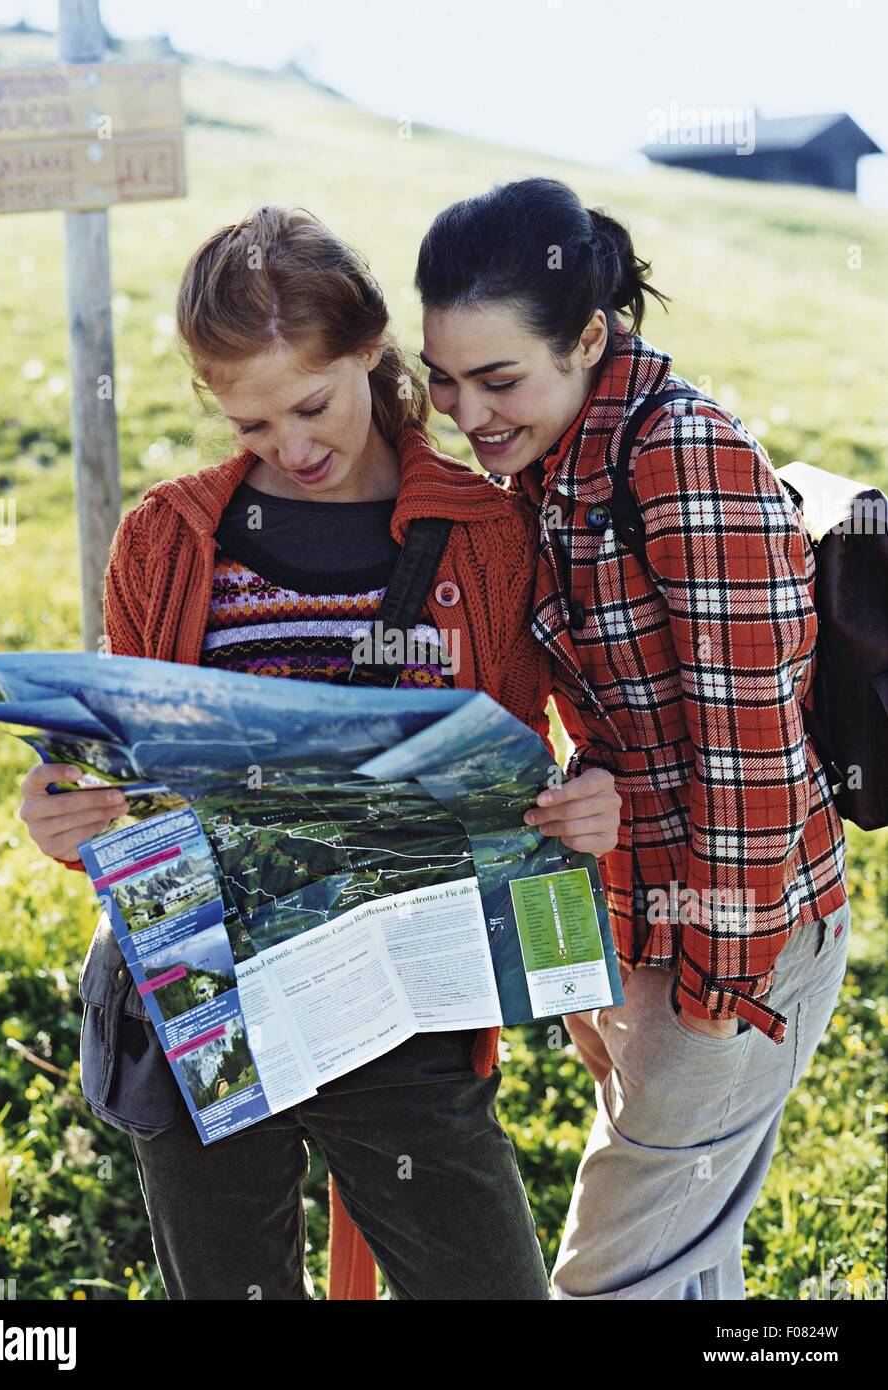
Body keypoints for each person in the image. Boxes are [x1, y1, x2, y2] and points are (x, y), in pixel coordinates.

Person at [17, 204, 621, 1301]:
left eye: (314, 403)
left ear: (370, 350)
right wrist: (66, 815)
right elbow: (109, 774)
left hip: (401, 1009)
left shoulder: (488, 536)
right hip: (205, 1003)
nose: (293, 447)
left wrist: (586, 802)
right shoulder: (163, 539)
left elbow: (542, 753)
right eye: (252, 425)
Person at [415, 176, 850, 1299]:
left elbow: (751, 752)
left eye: (498, 377)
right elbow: (598, 725)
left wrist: (710, 995)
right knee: (689, 1263)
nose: (469, 413)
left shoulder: (678, 457)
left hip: (743, 933)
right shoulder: (545, 466)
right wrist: (596, 965)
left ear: (591, 338)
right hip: (640, 921)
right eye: (446, 380)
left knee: (609, 1278)